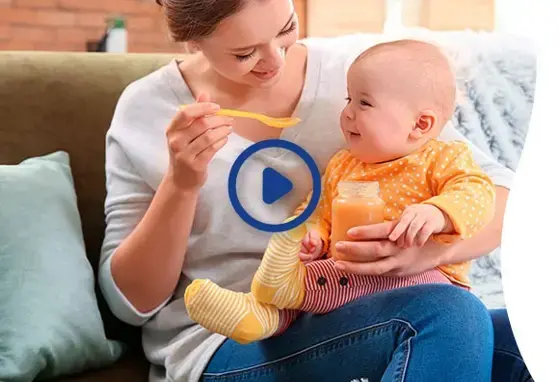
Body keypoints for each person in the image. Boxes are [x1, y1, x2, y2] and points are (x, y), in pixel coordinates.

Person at [98, 0, 532, 381]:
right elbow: (132, 302)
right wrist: (181, 184)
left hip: (375, 305)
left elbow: (495, 191)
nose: (275, 61)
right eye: (245, 52)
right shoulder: (148, 110)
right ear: (192, 39)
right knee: (447, 316)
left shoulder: (361, 74)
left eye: (286, 29)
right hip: (233, 340)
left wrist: (430, 253)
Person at [183, 39, 498, 345]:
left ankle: (283, 289)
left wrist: (438, 212)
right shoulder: (343, 165)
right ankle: (263, 316)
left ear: (420, 124)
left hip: (425, 279)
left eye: (364, 103)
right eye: (349, 99)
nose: (348, 113)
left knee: (321, 280)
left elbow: (477, 193)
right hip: (344, 280)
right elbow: (317, 208)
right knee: (317, 272)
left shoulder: (442, 158)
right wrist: (313, 235)